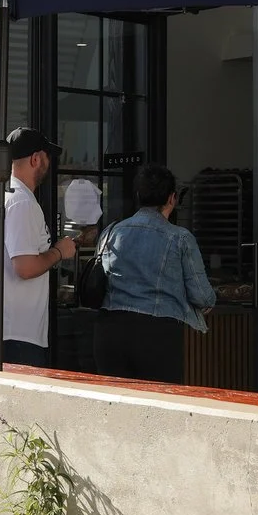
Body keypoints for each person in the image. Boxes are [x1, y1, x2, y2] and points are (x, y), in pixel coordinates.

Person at [95, 162, 216, 385]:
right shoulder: (179, 238)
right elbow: (202, 296)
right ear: (172, 198)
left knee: (114, 408)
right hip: (157, 334)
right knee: (158, 409)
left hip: (110, 331)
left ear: (139, 195)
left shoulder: (111, 232)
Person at [0, 125, 75, 367]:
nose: (49, 164)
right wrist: (60, 251)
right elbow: (24, 268)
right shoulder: (21, 201)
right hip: (15, 334)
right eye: (47, 158)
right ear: (36, 159)